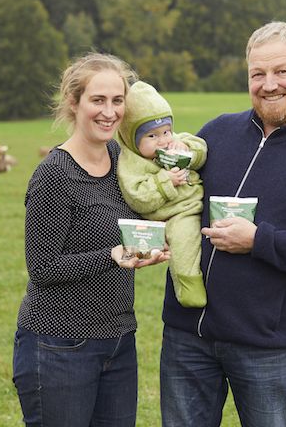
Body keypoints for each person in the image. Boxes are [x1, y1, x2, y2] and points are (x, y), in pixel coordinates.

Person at [159, 21, 286, 426]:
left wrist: (259, 241)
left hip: (265, 346)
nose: (269, 84)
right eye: (258, 74)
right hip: (187, 335)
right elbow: (178, 196)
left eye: (281, 71)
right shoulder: (217, 133)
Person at [12, 53, 170, 427]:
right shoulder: (55, 175)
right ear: (73, 103)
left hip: (119, 340)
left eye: (117, 101)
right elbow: (43, 268)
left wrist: (151, 243)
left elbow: (142, 212)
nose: (109, 112)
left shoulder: (121, 160)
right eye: (97, 100)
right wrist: (111, 256)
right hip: (59, 345)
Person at [116, 80, 208, 308]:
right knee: (183, 244)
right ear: (132, 139)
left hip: (199, 203)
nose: (163, 140)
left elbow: (202, 149)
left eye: (166, 131)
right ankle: (189, 286)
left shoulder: (175, 142)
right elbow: (137, 197)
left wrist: (186, 149)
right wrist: (166, 181)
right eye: (152, 136)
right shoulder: (131, 164)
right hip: (176, 215)